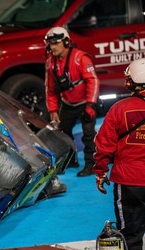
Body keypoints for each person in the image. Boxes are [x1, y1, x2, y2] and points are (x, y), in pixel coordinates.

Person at [93, 58, 145, 250]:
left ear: (131, 82)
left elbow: (103, 144)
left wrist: (100, 172)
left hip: (128, 181)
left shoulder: (119, 108)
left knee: (130, 233)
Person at [44, 26, 99, 177]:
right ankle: (70, 160)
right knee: (64, 133)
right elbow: (50, 89)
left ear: (66, 42)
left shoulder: (81, 58)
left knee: (88, 134)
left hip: (85, 103)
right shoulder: (50, 63)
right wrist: (53, 110)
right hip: (67, 103)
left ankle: (91, 164)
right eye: (50, 44)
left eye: (55, 43)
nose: (52, 47)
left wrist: (90, 105)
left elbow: (92, 81)